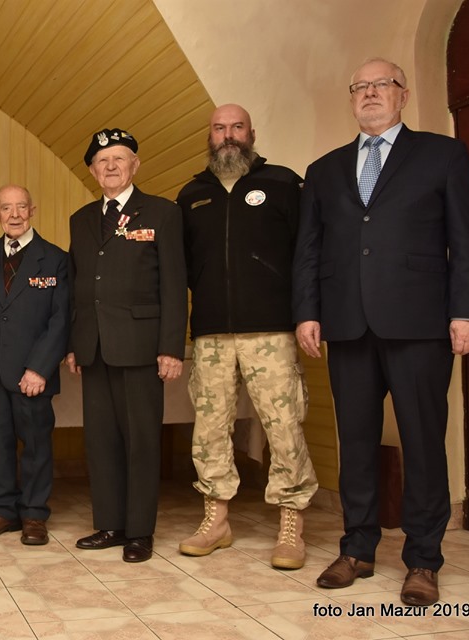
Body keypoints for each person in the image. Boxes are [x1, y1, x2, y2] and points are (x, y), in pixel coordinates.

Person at [292, 58, 469, 606]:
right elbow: (309, 249)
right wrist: (307, 312)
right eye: (361, 86)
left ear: (403, 95)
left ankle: (423, 559)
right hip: (347, 324)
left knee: (423, 440)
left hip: (420, 323)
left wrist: (468, 312)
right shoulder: (324, 169)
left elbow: (466, 239)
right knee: (355, 441)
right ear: (352, 98)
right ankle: (356, 548)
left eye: (383, 84)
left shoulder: (442, 154)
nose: (371, 93)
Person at [176, 104, 318, 569]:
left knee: (284, 424)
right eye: (219, 128)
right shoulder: (191, 194)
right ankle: (216, 520)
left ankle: (291, 524)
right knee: (209, 428)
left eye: (237, 127)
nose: (228, 135)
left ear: (251, 133)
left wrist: (307, 313)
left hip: (271, 329)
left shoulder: (283, 183)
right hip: (212, 333)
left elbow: (306, 254)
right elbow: (183, 266)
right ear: (209, 136)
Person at [67, 128, 188, 563]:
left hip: (141, 345)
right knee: (100, 441)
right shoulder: (81, 219)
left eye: (119, 159)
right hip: (94, 346)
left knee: (141, 441)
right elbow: (77, 285)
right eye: (103, 161)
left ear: (135, 165)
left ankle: (139, 531)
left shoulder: (162, 212)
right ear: (92, 170)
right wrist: (74, 342)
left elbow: (174, 284)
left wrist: (171, 347)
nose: (111, 166)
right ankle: (109, 524)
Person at [0, 185, 69, 545]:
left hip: (32, 374)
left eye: (21, 207)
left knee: (36, 445)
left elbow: (61, 319)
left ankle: (34, 514)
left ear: (32, 211)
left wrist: (40, 368)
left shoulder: (55, 258)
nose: (15, 214)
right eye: (6, 208)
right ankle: (2, 511)